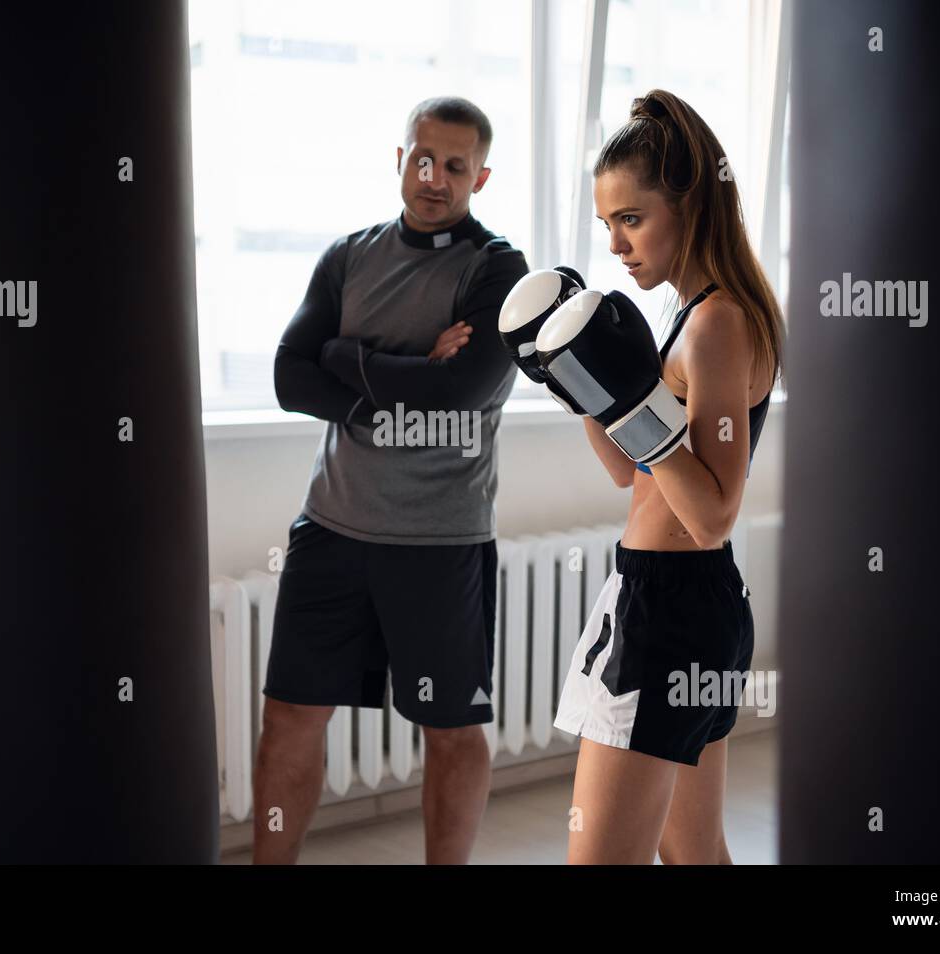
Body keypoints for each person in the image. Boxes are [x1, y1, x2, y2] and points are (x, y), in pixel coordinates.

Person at [253, 96, 529, 864]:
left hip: (440, 541)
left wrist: (348, 357)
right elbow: (286, 377)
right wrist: (401, 379)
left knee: (451, 731)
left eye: (454, 165)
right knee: (289, 718)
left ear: (481, 174)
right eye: (421, 157)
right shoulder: (349, 255)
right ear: (399, 157)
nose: (433, 176)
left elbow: (461, 392)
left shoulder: (497, 269)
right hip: (331, 527)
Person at [546, 90, 785, 864]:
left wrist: (624, 399)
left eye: (632, 218)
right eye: (606, 224)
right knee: (695, 855)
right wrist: (576, 381)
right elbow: (629, 471)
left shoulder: (718, 322)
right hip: (685, 603)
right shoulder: (690, 314)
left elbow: (713, 510)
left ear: (690, 204)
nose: (616, 243)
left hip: (672, 612)